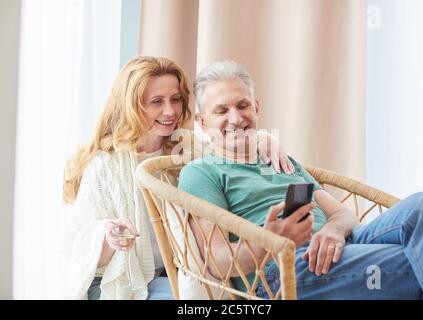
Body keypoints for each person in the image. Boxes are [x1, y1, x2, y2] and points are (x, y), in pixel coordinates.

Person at [178, 60, 423, 299]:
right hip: (283, 270)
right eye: (221, 111)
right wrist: (270, 240)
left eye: (242, 105)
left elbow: (343, 214)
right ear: (202, 122)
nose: (235, 118)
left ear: (257, 107)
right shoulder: (201, 172)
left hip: (341, 246)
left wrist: (333, 229)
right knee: (420, 258)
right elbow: (216, 261)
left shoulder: (280, 160)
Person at [60, 56, 293, 300]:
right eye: (156, 102)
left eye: (176, 99)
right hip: (116, 282)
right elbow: (75, 247)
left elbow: (230, 140)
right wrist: (107, 237)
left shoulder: (187, 148)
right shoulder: (105, 166)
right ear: (132, 105)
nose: (170, 111)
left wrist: (266, 139)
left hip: (175, 274)